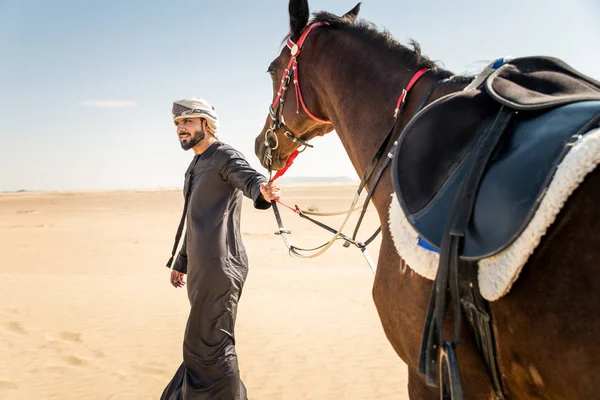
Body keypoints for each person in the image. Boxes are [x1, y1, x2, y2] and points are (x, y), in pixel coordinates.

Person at [161, 97, 280, 400]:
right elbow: (195, 218)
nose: (180, 129)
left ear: (205, 123)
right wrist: (182, 261)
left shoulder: (224, 156)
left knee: (211, 346)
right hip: (203, 270)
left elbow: (248, 178)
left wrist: (262, 191)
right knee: (204, 344)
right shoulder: (198, 162)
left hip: (221, 266)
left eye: (187, 121)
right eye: (177, 124)